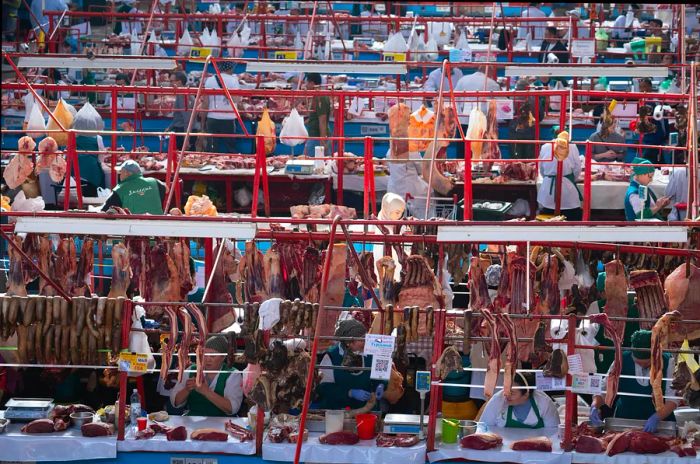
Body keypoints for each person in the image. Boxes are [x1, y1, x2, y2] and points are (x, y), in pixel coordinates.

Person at [594, 330, 677, 431]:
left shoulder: (668, 361)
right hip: (624, 420)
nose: (642, 366)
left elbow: (672, 399)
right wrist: (594, 406)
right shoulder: (621, 359)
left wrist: (657, 417)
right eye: (638, 362)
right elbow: (604, 389)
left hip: (660, 423)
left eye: (647, 364)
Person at [315, 319, 386, 411]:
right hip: (337, 412)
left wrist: (381, 384)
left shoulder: (372, 350)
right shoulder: (332, 356)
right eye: (361, 339)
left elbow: (381, 374)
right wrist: (350, 393)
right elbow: (323, 388)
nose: (365, 342)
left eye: (365, 337)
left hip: (367, 411)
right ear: (348, 343)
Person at [170, 335, 243, 416]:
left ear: (223, 357)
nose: (207, 359)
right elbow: (175, 402)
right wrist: (187, 389)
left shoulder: (233, 374)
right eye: (205, 354)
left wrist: (206, 391)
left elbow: (233, 408)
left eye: (213, 356)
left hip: (222, 424)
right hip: (194, 421)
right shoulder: (192, 370)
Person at [479, 372, 560, 428]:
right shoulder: (498, 400)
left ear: (526, 394)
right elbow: (484, 427)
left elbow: (554, 432)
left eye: (512, 393)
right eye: (506, 389)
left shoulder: (544, 402)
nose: (506, 394)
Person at [454, 66, 500, 160]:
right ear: (490, 72)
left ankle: (460, 172)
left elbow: (454, 98)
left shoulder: (463, 79)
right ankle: (479, 173)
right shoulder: (491, 83)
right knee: (479, 153)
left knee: (462, 151)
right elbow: (501, 103)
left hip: (463, 121)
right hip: (481, 124)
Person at [537, 131, 583, 221]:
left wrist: (548, 177)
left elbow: (541, 169)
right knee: (573, 217)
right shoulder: (572, 147)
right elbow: (577, 169)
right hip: (567, 188)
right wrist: (572, 178)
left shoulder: (545, 146)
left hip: (547, 189)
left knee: (546, 218)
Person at [100, 160, 166, 214]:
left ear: (126, 173)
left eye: (121, 172)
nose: (120, 175)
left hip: (132, 227)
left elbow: (104, 211)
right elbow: (167, 189)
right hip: (157, 226)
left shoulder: (119, 190)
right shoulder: (154, 181)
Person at [202, 60, 240, 154]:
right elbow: (236, 100)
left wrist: (203, 122)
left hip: (212, 117)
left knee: (212, 146)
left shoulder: (209, 80)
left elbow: (205, 103)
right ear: (231, 68)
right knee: (230, 146)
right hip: (229, 118)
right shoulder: (233, 80)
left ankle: (211, 164)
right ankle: (231, 165)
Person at [638, 78, 670, 165]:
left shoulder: (654, 100)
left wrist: (665, 136)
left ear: (650, 87)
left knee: (645, 164)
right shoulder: (643, 100)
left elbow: (663, 119)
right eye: (640, 87)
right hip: (648, 137)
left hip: (655, 138)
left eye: (644, 87)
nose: (642, 90)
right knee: (657, 162)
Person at [302, 73, 331, 157]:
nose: (305, 85)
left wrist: (322, 142)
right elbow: (314, 117)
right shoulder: (316, 96)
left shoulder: (320, 97)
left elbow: (322, 120)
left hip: (317, 138)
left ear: (312, 83)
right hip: (315, 137)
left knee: (308, 162)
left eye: (306, 82)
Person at [168, 71, 194, 150]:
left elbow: (187, 117)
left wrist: (186, 138)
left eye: (172, 81)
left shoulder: (183, 95)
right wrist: (170, 127)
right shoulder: (185, 93)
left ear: (179, 82)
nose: (170, 84)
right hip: (184, 130)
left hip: (183, 131)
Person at [664, 151, 688, 221]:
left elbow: (668, 194)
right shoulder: (678, 172)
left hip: (679, 216)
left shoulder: (678, 172)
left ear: (685, 157)